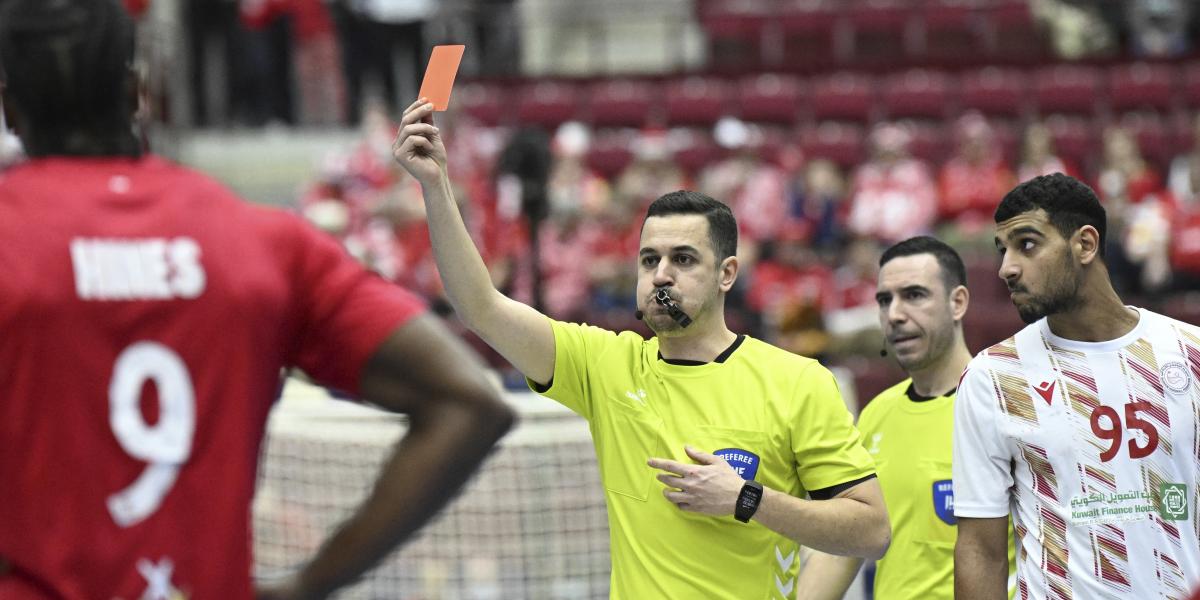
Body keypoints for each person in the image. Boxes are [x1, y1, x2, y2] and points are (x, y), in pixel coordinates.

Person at [0, 2, 514, 599]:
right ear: (139, 90)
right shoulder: (263, 241)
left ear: (9, 106)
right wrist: (306, 586)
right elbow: (471, 401)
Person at [393, 98, 890, 598]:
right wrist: (436, 185)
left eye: (683, 259)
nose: (662, 275)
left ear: (727, 274)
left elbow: (871, 530)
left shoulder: (797, 381)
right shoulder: (607, 365)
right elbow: (481, 306)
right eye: (649, 259)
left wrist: (748, 500)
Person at [954, 173, 1200, 599]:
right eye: (1003, 250)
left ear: (1085, 244)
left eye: (1026, 244)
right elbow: (980, 549)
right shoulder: (992, 377)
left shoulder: (1189, 352)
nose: (1006, 268)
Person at [798, 236, 1016, 599]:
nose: (895, 314)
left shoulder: (1004, 406)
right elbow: (843, 548)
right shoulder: (876, 413)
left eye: (914, 295)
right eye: (885, 300)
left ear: (957, 302)